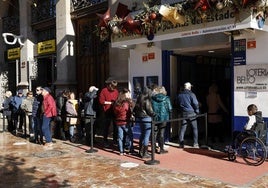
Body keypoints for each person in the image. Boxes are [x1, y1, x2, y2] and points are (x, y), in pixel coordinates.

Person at [134, 86, 156, 158]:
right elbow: (150, 111)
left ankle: (140, 151)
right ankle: (144, 153)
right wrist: (154, 114)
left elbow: (135, 110)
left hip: (140, 119)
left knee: (142, 134)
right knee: (146, 136)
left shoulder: (139, 99)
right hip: (146, 118)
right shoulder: (146, 100)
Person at [177, 82, 200, 148]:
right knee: (195, 128)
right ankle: (195, 143)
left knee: (183, 128)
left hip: (184, 113)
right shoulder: (192, 94)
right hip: (191, 113)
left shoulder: (180, 94)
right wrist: (197, 111)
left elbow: (177, 103)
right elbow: (195, 103)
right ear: (189, 87)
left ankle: (181, 143)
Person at [151, 86, 172, 154]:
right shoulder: (166, 98)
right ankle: (161, 149)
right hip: (164, 118)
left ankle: (153, 149)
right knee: (161, 133)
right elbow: (170, 108)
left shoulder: (152, 98)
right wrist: (170, 117)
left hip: (155, 118)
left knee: (154, 134)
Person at [113, 88, 134, 156]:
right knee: (130, 136)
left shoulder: (117, 103)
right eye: (128, 93)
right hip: (125, 121)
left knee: (120, 137)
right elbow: (128, 112)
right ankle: (131, 150)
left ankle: (121, 151)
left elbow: (115, 112)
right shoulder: (126, 103)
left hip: (118, 121)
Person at [99, 80, 119, 147]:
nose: (113, 88)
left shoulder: (116, 91)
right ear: (109, 85)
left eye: (115, 87)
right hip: (107, 111)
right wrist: (110, 103)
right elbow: (101, 101)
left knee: (116, 126)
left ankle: (115, 140)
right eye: (112, 86)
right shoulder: (104, 91)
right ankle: (105, 140)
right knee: (106, 126)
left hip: (115, 111)